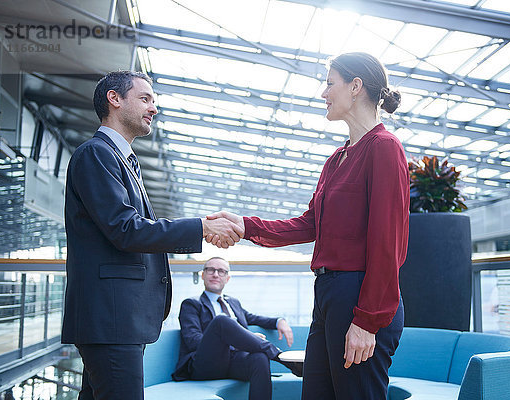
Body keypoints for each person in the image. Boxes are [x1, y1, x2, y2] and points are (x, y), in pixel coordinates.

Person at [207, 52, 409, 400]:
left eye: (330, 83)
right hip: (329, 295)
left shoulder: (385, 148)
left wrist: (367, 320)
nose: (323, 93)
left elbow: (387, 243)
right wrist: (245, 225)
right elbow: (309, 224)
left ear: (356, 86)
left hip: (359, 297)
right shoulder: (337, 158)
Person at [61, 71, 243, 400]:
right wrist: (201, 227)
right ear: (114, 100)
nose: (154, 108)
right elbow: (126, 229)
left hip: (118, 319)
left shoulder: (123, 160)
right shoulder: (96, 154)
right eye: (145, 99)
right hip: (111, 318)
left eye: (154, 101)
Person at [172, 257, 301, 400]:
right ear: (203, 275)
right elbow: (193, 340)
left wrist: (279, 321)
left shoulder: (233, 303)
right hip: (205, 365)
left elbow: (254, 318)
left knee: (259, 358)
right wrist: (239, 341)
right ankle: (280, 357)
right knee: (221, 321)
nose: (215, 274)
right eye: (210, 270)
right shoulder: (191, 304)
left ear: (227, 278)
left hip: (233, 363)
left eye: (221, 271)